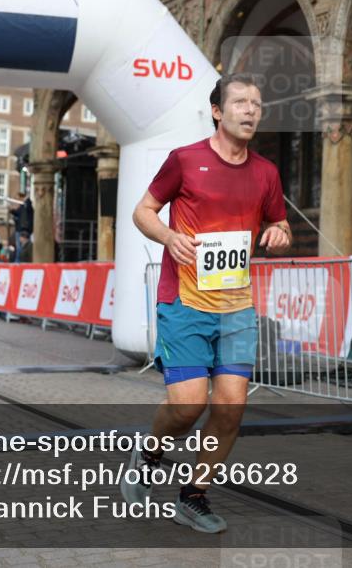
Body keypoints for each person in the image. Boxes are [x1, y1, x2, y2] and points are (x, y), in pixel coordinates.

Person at [123, 73, 292, 533]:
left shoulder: (266, 172)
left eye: (257, 103)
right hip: (185, 302)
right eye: (240, 102)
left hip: (236, 308)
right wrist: (169, 236)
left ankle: (193, 495)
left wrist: (279, 232)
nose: (251, 110)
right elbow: (142, 210)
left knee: (231, 408)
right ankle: (148, 452)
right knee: (187, 406)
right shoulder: (185, 160)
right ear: (218, 111)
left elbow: (280, 223)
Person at [9, 192, 33, 262]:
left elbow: (24, 213)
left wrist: (26, 199)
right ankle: (18, 261)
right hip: (20, 228)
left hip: (22, 229)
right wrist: (12, 211)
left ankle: (19, 262)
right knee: (19, 247)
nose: (17, 200)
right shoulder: (22, 206)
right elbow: (18, 213)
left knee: (21, 247)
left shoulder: (26, 205)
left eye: (17, 198)